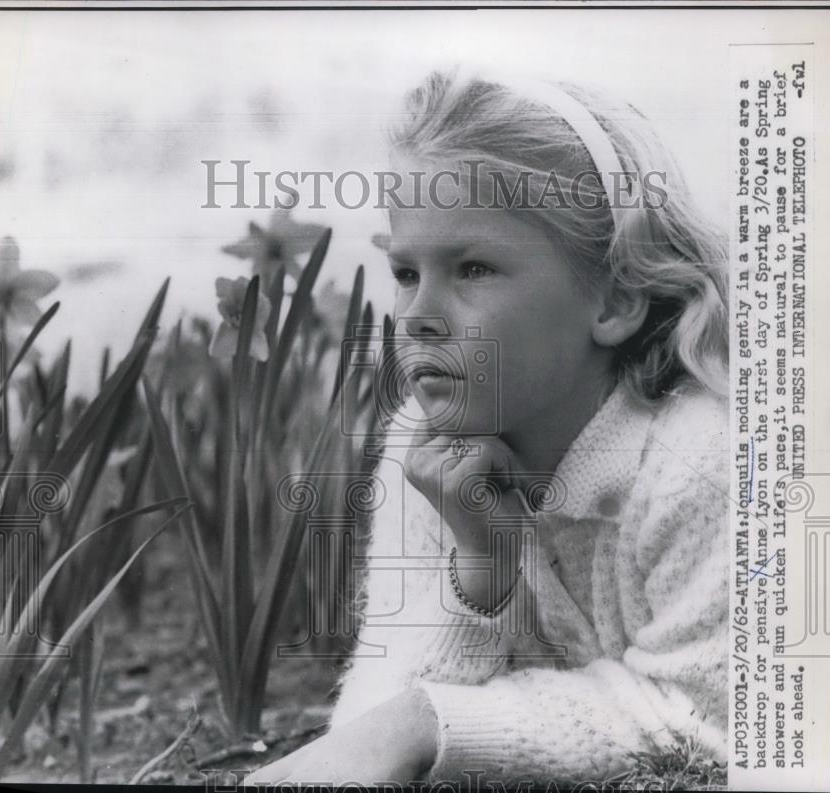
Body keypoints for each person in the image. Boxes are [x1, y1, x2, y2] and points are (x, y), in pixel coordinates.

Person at [245, 66, 730, 787]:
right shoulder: (430, 448)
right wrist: (480, 570)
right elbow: (375, 738)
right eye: (405, 272)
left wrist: (433, 724)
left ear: (615, 299)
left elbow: (704, 729)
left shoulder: (696, 460)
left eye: (472, 268)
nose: (415, 315)